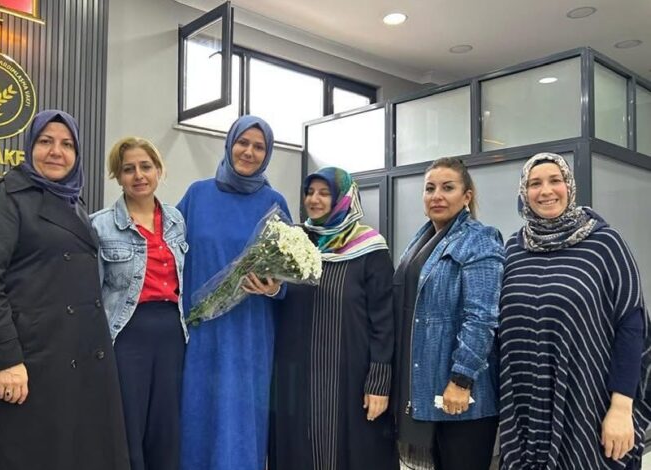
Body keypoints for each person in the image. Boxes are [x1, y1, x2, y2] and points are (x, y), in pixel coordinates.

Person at [0, 109, 130, 470]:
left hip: (76, 353)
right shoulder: (3, 198)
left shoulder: (73, 202)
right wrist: (6, 359)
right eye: (45, 141)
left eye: (67, 144)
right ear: (29, 146)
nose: (56, 151)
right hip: (29, 360)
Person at [499, 152, 651, 470]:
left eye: (555, 180)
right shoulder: (513, 248)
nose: (546, 191)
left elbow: (631, 324)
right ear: (524, 192)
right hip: (524, 403)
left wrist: (622, 406)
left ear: (569, 186)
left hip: (588, 399)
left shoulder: (605, 243)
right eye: (535, 183)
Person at [177, 115, 290, 470]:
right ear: (229, 144)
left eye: (259, 147)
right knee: (197, 411)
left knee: (242, 416)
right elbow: (169, 254)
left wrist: (276, 288)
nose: (249, 152)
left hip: (250, 334)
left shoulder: (274, 203)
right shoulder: (197, 195)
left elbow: (289, 272)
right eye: (243, 142)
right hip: (201, 333)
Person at [269, 167, 397, 470]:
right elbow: (280, 301)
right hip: (297, 375)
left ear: (343, 199)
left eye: (324, 193)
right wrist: (271, 290)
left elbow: (383, 321)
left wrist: (379, 383)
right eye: (310, 192)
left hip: (351, 378)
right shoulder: (294, 243)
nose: (314, 199)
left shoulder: (370, 248)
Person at [392, 157, 504, 470]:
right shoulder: (423, 238)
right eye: (430, 188)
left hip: (462, 394)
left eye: (448, 188)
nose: (437, 196)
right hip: (429, 385)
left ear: (467, 196)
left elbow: (481, 317)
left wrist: (461, 379)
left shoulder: (479, 239)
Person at [91, 137, 188, 470]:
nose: (138, 175)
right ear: (118, 177)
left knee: (166, 427)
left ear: (158, 170)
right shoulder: (100, 225)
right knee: (128, 426)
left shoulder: (176, 220)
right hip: (127, 335)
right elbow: (92, 294)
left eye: (145, 166)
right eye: (128, 169)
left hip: (172, 334)